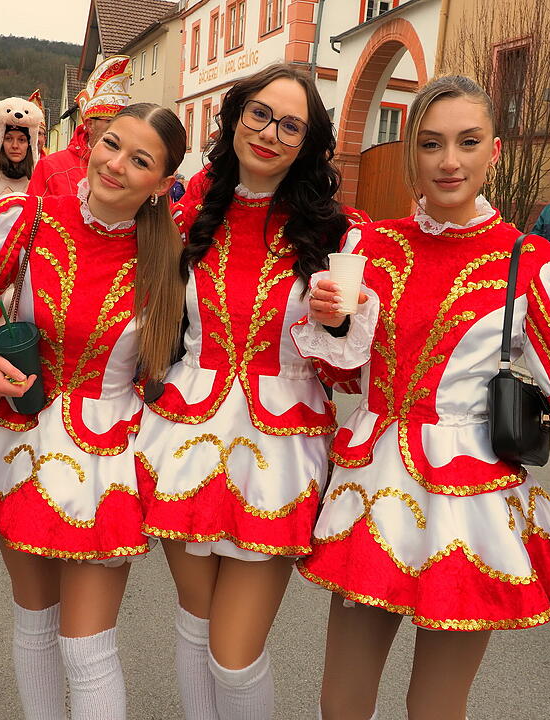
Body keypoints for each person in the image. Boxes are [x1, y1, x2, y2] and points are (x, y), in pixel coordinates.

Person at [294, 75, 550, 720]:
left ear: (494, 150)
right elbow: (344, 377)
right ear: (412, 151)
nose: (449, 161)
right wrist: (332, 327)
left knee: (437, 706)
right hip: (370, 489)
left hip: (471, 503)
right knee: (341, 703)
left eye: (468, 142)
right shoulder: (368, 247)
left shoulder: (532, 263)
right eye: (431, 143)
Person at [0, 103, 186, 720]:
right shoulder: (25, 220)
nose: (114, 164)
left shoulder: (174, 260)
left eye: (139, 159)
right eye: (111, 144)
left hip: (108, 461)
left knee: (88, 647)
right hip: (24, 440)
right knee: (34, 626)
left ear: (162, 183)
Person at [134, 64, 368, 720]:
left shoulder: (338, 233)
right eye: (260, 114)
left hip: (279, 449)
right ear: (235, 117)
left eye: (291, 125)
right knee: (194, 625)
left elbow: (352, 370)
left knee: (233, 654)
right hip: (184, 436)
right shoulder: (188, 213)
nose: (270, 133)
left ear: (308, 143)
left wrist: (337, 324)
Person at [27, 55, 132, 199]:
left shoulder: (128, 169)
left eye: (121, 122)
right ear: (90, 124)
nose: (117, 128)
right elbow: (33, 211)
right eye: (110, 121)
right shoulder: (51, 166)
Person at [0, 96, 44, 200]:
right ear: (1, 141)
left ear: (29, 144)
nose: (15, 146)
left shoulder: (39, 180)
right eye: (9, 139)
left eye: (21, 140)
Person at [29, 89, 49, 158]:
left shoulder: (50, 163)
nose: (35, 138)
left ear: (45, 139)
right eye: (32, 132)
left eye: (39, 133)